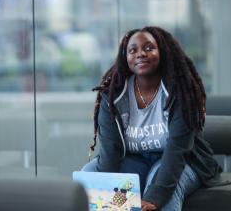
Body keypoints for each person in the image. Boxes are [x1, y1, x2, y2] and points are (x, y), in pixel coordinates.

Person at [82, 26, 222, 210]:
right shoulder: (113, 97)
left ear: (162, 52)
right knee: (89, 174)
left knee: (161, 192)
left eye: (149, 48)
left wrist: (155, 197)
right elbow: (110, 150)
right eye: (133, 50)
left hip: (181, 160)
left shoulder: (180, 93)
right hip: (136, 160)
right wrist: (103, 187)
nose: (141, 54)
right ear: (125, 58)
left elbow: (177, 151)